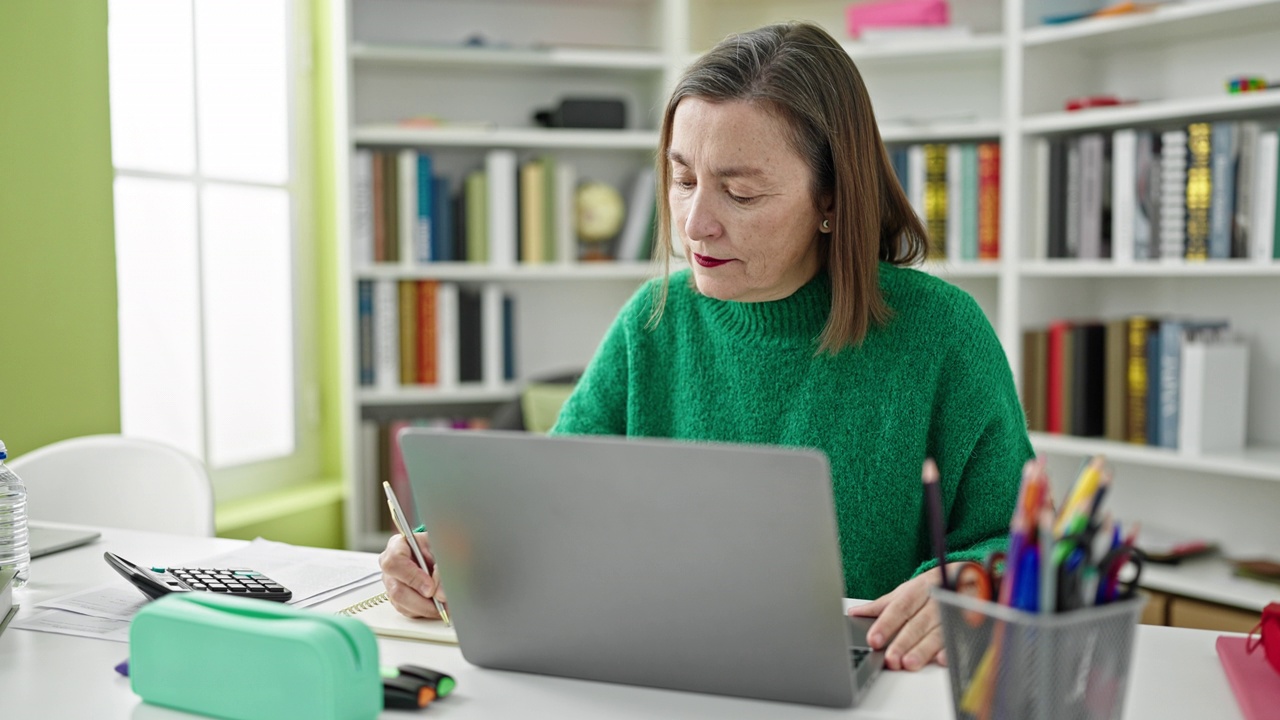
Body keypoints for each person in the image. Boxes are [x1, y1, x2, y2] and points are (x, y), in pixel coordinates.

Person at [380, 21, 1034, 673]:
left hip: (874, 687)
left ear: (831, 197)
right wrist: (449, 552)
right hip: (658, 674)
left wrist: (973, 580)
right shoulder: (652, 321)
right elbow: (546, 510)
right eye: (683, 178)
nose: (695, 223)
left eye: (741, 192)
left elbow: (1019, 540)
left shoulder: (939, 330)